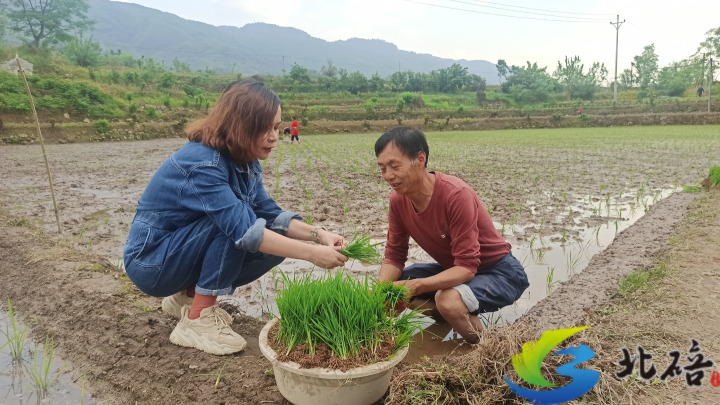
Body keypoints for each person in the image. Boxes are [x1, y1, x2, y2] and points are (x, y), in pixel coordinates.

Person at [123, 80, 348, 355]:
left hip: (175, 255)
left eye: (277, 127)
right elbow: (244, 229)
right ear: (242, 125)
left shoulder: (244, 160)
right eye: (267, 128)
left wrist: (319, 234)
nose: (275, 136)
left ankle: (187, 297)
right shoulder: (204, 163)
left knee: (272, 240)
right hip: (150, 262)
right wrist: (312, 254)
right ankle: (198, 319)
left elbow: (270, 213)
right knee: (235, 226)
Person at [375, 127, 529, 344]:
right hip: (456, 270)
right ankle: (449, 318)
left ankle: (482, 350)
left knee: (447, 299)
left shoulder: (456, 194)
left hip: (499, 272)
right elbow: (394, 255)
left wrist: (417, 286)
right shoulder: (397, 201)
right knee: (394, 284)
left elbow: (467, 267)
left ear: (420, 159)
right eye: (382, 168)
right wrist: (381, 293)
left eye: (395, 166)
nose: (388, 176)